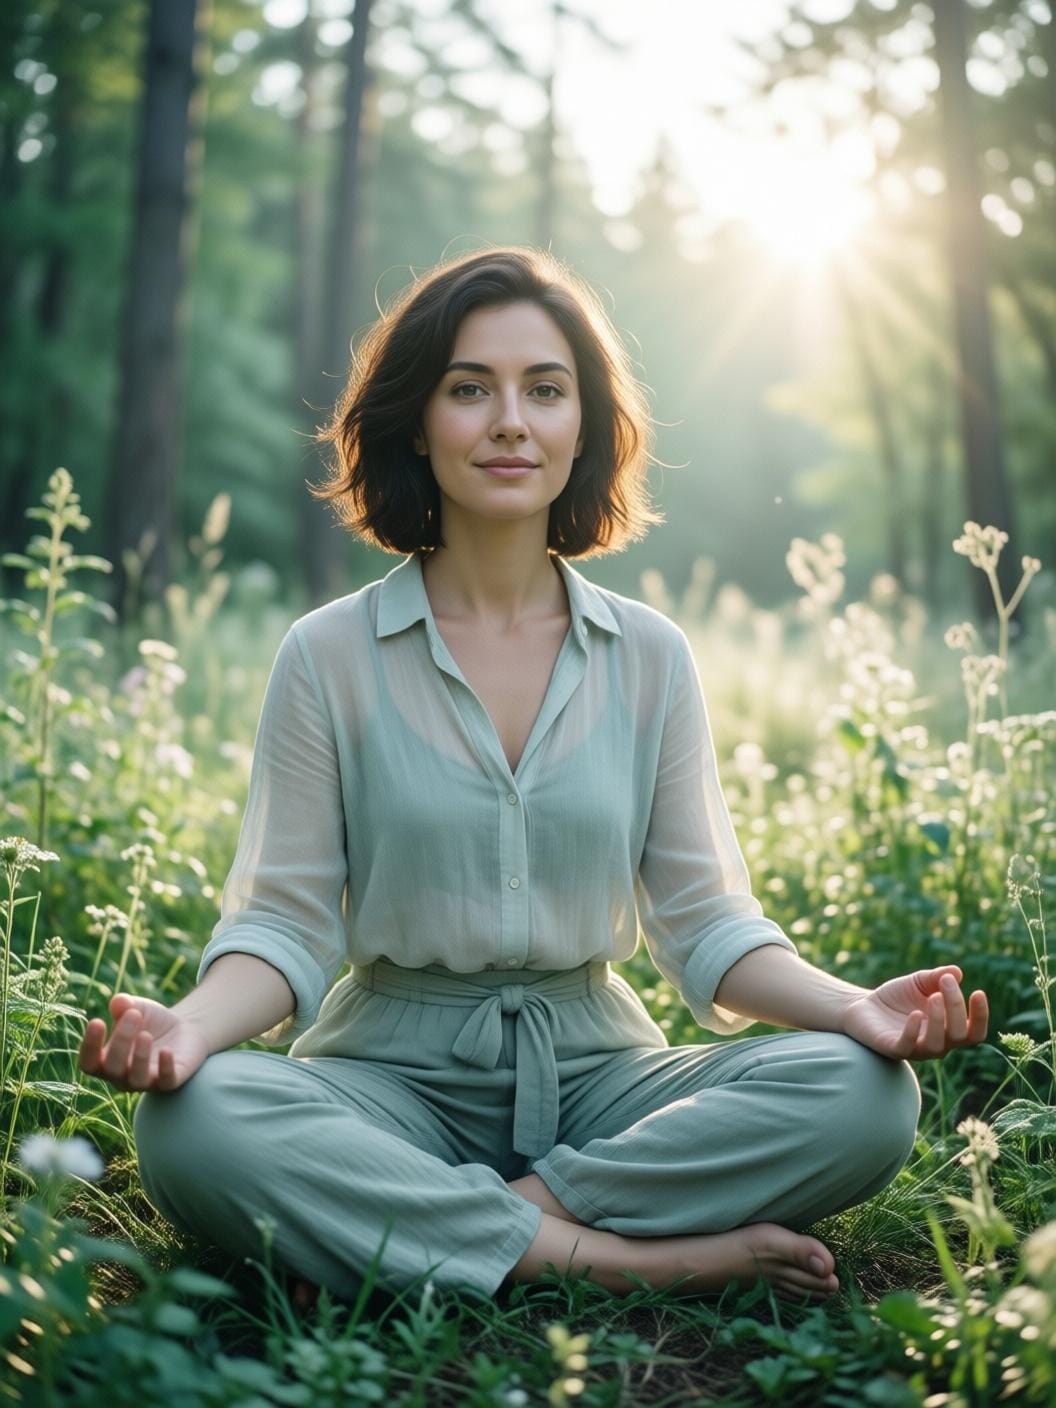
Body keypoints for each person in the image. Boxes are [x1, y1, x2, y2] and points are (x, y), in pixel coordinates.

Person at [79, 246, 988, 1312]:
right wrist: (190, 1029)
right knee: (194, 1120)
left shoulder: (650, 656)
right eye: (471, 389)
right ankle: (624, 1259)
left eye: (545, 390)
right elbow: (284, 926)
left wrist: (855, 1008)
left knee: (864, 1093)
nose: (511, 421)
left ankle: (436, 1230)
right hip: (384, 1086)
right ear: (418, 422)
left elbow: (707, 923)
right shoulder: (326, 655)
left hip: (604, 1085)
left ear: (583, 428)